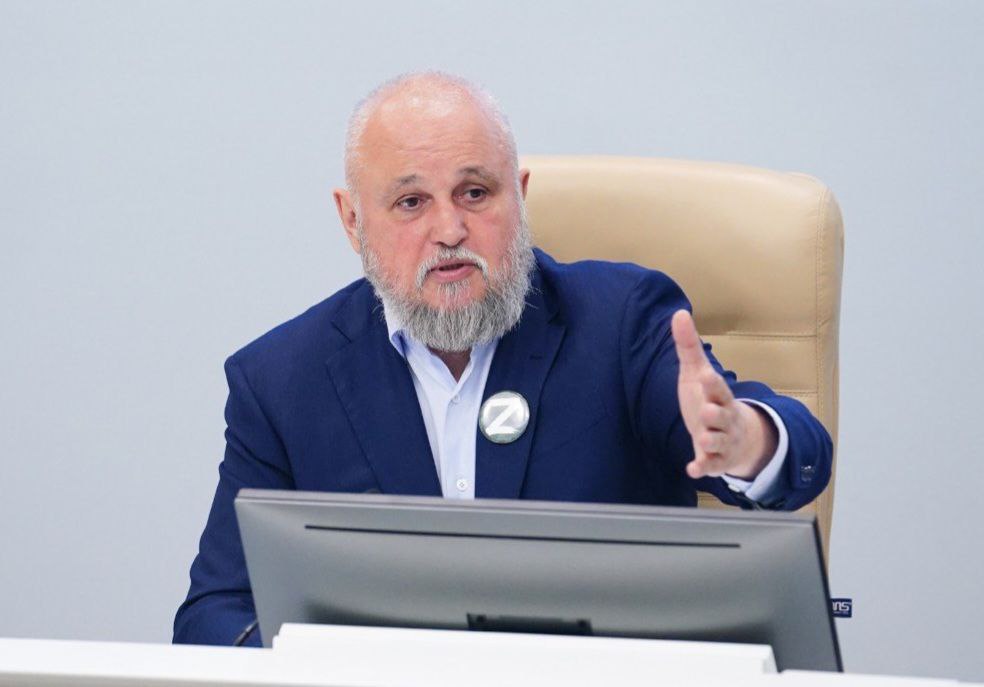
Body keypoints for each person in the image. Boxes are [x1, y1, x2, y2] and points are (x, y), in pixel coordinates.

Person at [173, 72, 833, 647]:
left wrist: (747, 438)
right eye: (410, 203)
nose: (449, 231)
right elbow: (214, 615)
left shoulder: (620, 321)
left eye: (474, 193)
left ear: (518, 195)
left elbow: (799, 454)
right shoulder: (282, 381)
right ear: (352, 221)